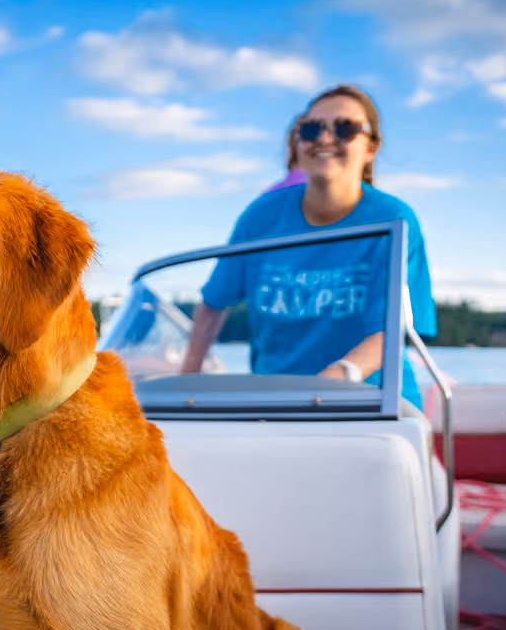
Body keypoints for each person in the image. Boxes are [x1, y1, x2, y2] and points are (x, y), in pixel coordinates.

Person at [181, 84, 437, 410]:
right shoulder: (261, 217)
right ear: (298, 140)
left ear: (371, 147)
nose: (325, 139)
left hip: (374, 406)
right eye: (312, 128)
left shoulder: (394, 220)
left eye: (345, 128)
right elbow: (213, 305)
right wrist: (186, 381)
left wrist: (328, 384)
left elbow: (390, 332)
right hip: (274, 406)